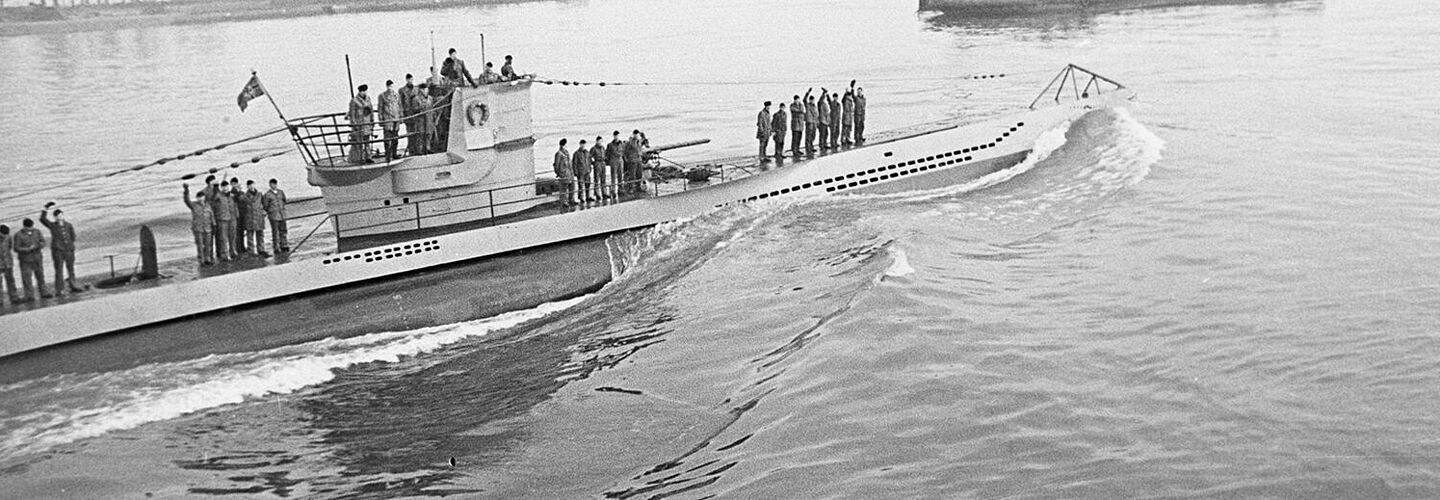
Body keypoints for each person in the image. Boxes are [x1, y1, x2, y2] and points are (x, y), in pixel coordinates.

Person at [39, 206, 82, 295]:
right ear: (55, 217)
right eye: (58, 216)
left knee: (71, 268)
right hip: (58, 251)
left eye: (61, 215)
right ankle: (59, 289)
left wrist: (70, 245)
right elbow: (42, 219)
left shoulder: (68, 225)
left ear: (63, 215)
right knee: (59, 270)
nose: (60, 217)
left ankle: (73, 285)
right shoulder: (52, 225)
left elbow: (72, 236)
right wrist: (45, 208)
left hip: (69, 250)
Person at [13, 219, 49, 301]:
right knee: (27, 278)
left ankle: (44, 292)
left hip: (37, 258)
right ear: (24, 226)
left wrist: (37, 245)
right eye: (28, 228)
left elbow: (43, 242)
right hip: (25, 260)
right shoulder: (18, 235)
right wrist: (27, 249)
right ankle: (29, 295)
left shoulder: (37, 231)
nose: (30, 229)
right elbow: (16, 248)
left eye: (31, 227)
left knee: (40, 276)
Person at [183, 184, 215, 265]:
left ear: (204, 197)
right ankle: (201, 260)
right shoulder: (193, 205)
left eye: (202, 197)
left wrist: (214, 224)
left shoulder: (208, 205)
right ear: (197, 198)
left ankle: (208, 258)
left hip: (208, 228)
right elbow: (186, 200)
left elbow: (212, 216)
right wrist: (186, 190)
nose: (201, 198)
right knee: (200, 245)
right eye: (199, 197)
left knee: (208, 245)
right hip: (198, 229)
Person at [347, 84, 374, 164]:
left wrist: (372, 121)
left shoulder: (368, 99)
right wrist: (354, 125)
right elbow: (352, 114)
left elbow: (371, 110)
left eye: (366, 91)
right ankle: (360, 158)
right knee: (360, 143)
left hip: (367, 123)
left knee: (367, 142)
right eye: (364, 91)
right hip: (359, 124)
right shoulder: (354, 101)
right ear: (360, 91)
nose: (365, 92)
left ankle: (368, 157)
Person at [261, 179, 288, 255]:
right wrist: (271, 211)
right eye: (272, 184)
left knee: (283, 230)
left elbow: (284, 201)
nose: (274, 185)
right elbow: (265, 205)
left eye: (275, 184)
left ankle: (284, 245)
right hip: (274, 215)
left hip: (282, 214)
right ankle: (276, 247)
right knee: (275, 232)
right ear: (270, 185)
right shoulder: (267, 195)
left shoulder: (281, 192)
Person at [399, 74, 424, 156]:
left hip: (417, 114)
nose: (410, 81)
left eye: (411, 79)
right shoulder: (402, 90)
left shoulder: (417, 89)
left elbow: (421, 99)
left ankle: (418, 150)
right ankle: (411, 150)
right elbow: (400, 104)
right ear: (406, 80)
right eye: (408, 79)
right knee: (410, 133)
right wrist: (402, 115)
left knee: (418, 132)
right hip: (408, 114)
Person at [214, 181, 238, 261]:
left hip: (232, 218)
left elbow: (235, 205)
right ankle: (225, 254)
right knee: (223, 238)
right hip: (223, 218)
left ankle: (233, 251)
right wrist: (216, 187)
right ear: (221, 187)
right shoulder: (218, 195)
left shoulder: (231, 196)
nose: (225, 188)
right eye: (223, 187)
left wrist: (236, 215)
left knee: (233, 235)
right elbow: (214, 199)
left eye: (226, 186)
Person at [243, 180, 268, 257]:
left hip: (259, 217)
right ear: (247, 186)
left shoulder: (260, 194)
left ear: (254, 185)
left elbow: (264, 204)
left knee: (260, 234)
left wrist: (263, 212)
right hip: (249, 217)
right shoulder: (245, 196)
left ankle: (261, 249)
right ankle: (251, 251)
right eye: (249, 185)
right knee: (250, 235)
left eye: (252, 184)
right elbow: (243, 207)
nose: (251, 186)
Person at [379, 79, 402, 161]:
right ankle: (388, 155)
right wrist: (381, 120)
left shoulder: (397, 95)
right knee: (387, 139)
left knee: (395, 138)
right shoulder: (382, 96)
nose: (390, 88)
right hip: (388, 119)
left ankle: (394, 153)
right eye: (389, 86)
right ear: (386, 86)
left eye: (391, 86)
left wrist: (401, 117)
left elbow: (400, 106)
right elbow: (380, 108)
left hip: (396, 119)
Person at [413, 83, 435, 155]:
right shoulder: (416, 99)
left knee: (429, 134)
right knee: (421, 134)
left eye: (426, 89)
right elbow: (414, 109)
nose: (426, 91)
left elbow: (432, 108)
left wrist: (434, 117)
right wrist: (421, 108)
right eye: (424, 89)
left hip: (429, 118)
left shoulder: (430, 98)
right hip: (421, 119)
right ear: (421, 90)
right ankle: (420, 150)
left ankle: (428, 148)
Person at [553, 139, 575, 206]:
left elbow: (569, 164)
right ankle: (564, 202)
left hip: (569, 174)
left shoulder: (566, 153)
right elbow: (556, 165)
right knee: (564, 189)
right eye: (565, 144)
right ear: (563, 145)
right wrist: (559, 173)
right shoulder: (559, 154)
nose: (566, 146)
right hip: (564, 174)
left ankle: (571, 200)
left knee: (572, 187)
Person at [572, 139, 594, 204]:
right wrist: (575, 172)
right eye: (582, 144)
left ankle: (588, 196)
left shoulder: (587, 152)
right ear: (580, 144)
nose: (583, 145)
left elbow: (590, 161)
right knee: (581, 186)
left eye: (584, 144)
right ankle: (581, 198)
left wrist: (590, 169)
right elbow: (574, 163)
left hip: (587, 171)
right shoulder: (576, 153)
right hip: (580, 172)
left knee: (588, 184)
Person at [229, 178, 247, 254]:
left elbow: (244, 201)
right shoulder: (231, 193)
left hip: (242, 213)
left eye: (235, 183)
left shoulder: (241, 192)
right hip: (236, 214)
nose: (234, 185)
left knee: (242, 231)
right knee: (237, 232)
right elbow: (235, 200)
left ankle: (242, 247)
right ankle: (238, 248)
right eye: (233, 183)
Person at [0, 225, 16, 305]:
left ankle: (14, 297)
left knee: (11, 280)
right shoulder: (8, 237)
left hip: (8, 262)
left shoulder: (8, 237)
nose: (4, 236)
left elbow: (10, 247)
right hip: (3, 262)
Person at [606, 131, 625, 198]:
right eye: (615, 136)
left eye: (618, 136)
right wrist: (608, 162)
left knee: (620, 175)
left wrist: (624, 160)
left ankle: (621, 189)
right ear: (613, 136)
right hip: (613, 161)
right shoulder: (610, 145)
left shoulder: (622, 144)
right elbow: (607, 154)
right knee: (613, 176)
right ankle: (613, 190)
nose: (617, 137)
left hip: (620, 160)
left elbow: (624, 152)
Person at [589, 136, 607, 201]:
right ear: (596, 141)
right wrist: (593, 163)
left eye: (601, 141)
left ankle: (604, 193)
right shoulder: (593, 148)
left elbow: (605, 155)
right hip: (597, 163)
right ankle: (597, 194)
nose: (600, 142)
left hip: (603, 163)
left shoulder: (603, 148)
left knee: (603, 179)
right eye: (599, 141)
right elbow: (589, 157)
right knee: (597, 179)